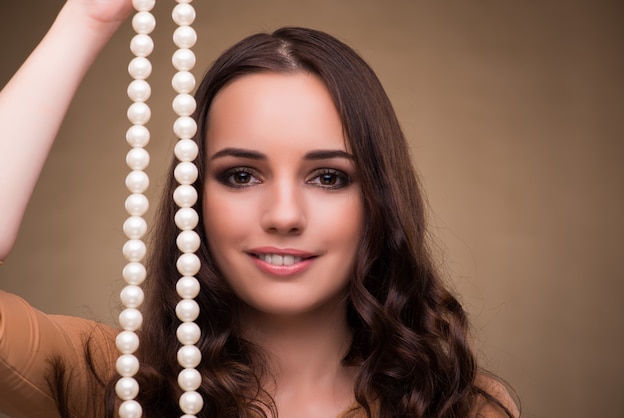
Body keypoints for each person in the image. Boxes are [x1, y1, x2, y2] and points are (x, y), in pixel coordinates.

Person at [0, 0, 519, 417]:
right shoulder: (110, 383)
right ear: (195, 196)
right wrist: (86, 19)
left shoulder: (460, 406)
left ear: (377, 200)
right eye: (242, 175)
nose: (284, 215)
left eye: (329, 177)